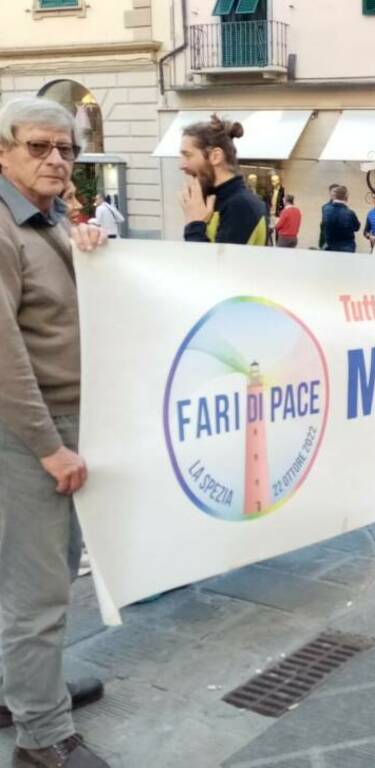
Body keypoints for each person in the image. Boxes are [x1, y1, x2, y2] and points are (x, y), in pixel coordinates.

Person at [0, 97, 109, 768]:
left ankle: (23, 688)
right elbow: (4, 352)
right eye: (39, 147)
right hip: (29, 432)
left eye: (65, 149)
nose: (57, 160)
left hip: (59, 423)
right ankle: (41, 737)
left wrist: (91, 251)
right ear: (3, 153)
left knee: (39, 573)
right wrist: (49, 447)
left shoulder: (49, 219)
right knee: (39, 589)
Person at [178, 115, 267, 246]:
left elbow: (216, 266)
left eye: (187, 155)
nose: (181, 165)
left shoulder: (241, 206)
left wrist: (194, 226)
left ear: (215, 156)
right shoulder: (218, 201)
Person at [321, 185, 361, 253]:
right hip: (347, 248)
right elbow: (357, 228)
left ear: (335, 196)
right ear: (346, 197)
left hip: (330, 246)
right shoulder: (350, 213)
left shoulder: (326, 209)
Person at [318, 183, 339, 249]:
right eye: (334, 191)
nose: (335, 193)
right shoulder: (325, 207)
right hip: (326, 241)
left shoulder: (343, 208)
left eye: (337, 192)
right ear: (330, 192)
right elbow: (324, 225)